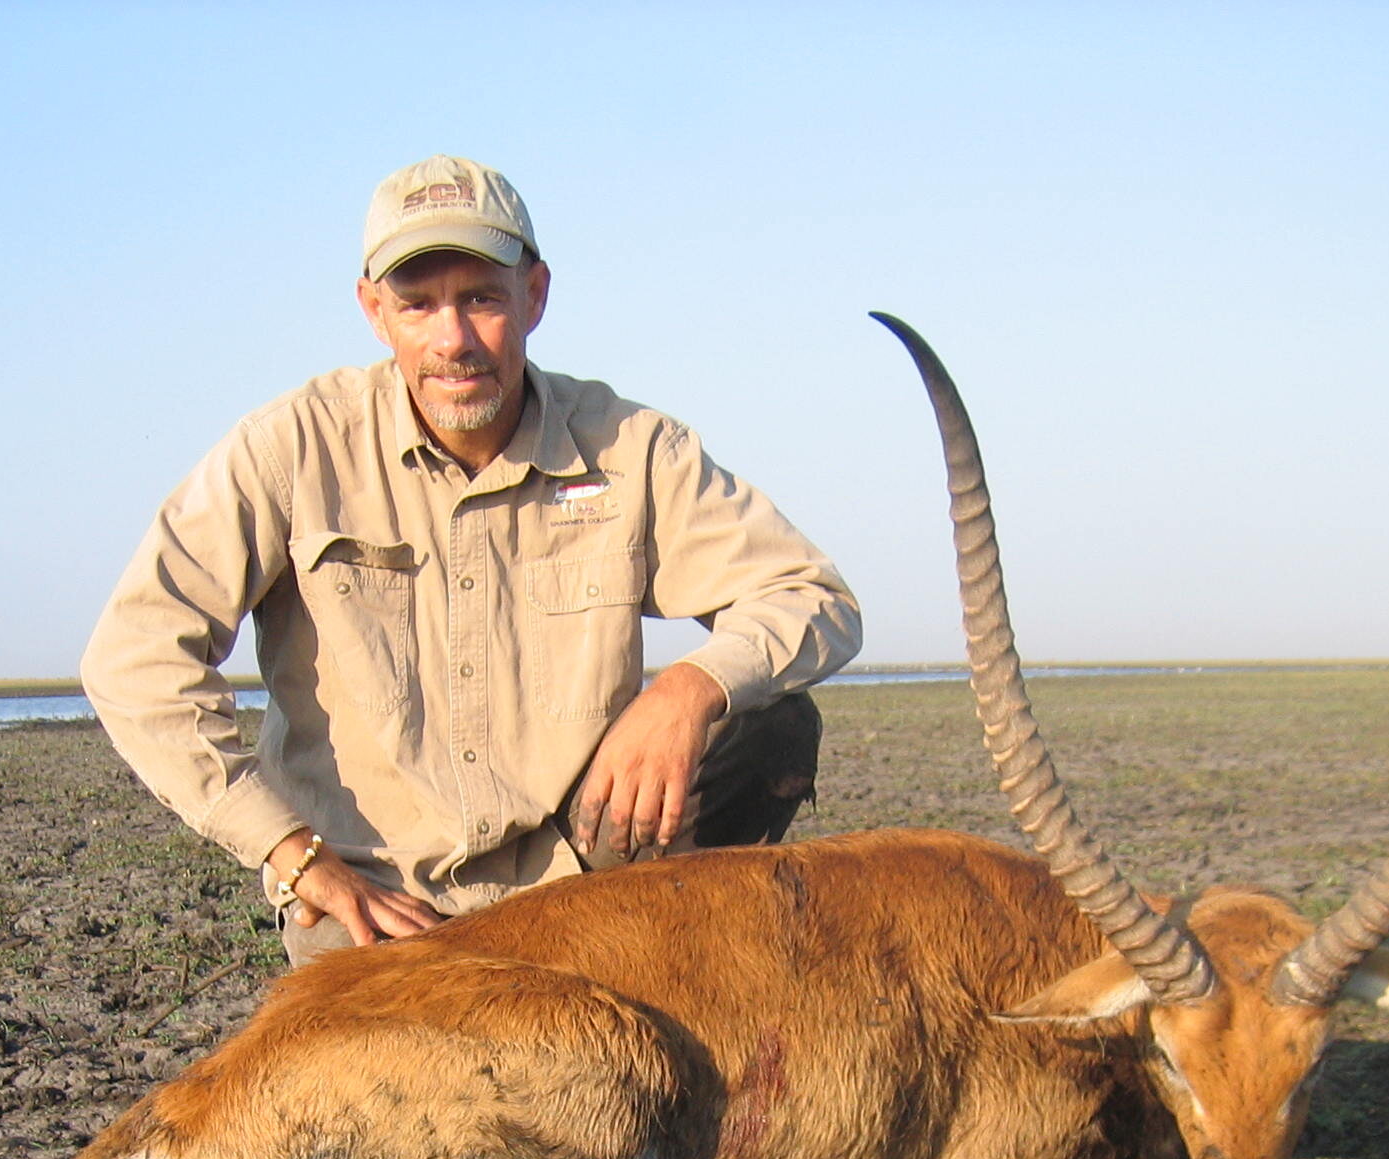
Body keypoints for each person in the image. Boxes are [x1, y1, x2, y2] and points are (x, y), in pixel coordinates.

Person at [81, 155, 859, 961]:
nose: (453, 341)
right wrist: (292, 854)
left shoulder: (631, 448)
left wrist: (688, 692)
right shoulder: (291, 450)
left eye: (482, 299)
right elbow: (134, 661)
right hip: (378, 902)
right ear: (373, 311)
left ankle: (674, 956)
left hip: (579, 873)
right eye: (419, 306)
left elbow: (811, 595)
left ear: (535, 295)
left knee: (769, 720)